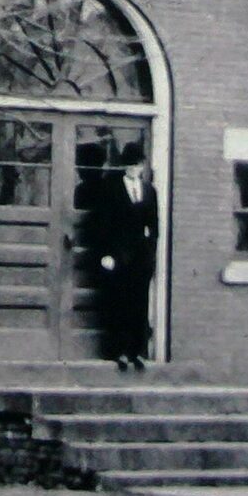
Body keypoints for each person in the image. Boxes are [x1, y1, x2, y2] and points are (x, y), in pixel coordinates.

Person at [99, 140, 158, 370]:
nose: (134, 169)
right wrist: (107, 254)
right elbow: (103, 224)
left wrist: (150, 252)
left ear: (142, 166)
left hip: (141, 257)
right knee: (119, 303)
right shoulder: (111, 188)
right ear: (124, 166)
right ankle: (120, 351)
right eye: (130, 165)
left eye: (138, 165)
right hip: (119, 255)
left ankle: (138, 351)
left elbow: (154, 225)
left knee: (140, 302)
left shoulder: (149, 191)